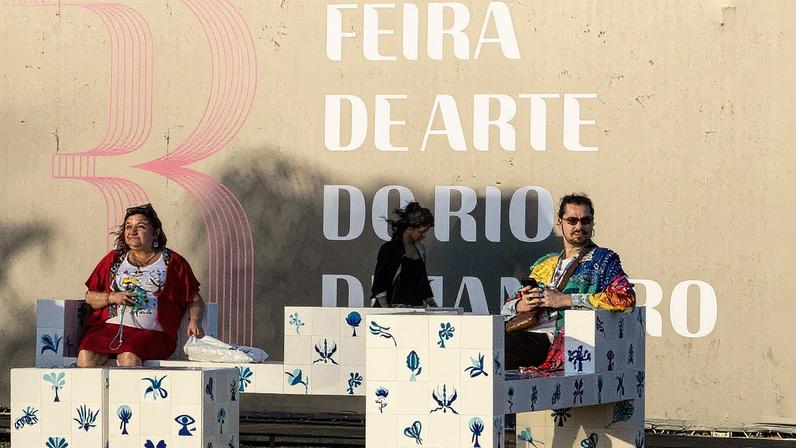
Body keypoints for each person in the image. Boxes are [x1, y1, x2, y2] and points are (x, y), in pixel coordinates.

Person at [502, 193, 635, 370]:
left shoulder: (603, 260)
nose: (579, 226)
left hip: (555, 341)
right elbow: (506, 308)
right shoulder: (545, 264)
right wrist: (521, 304)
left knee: (497, 350)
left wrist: (565, 300)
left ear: (592, 223)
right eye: (572, 220)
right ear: (560, 222)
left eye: (585, 221)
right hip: (525, 330)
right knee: (480, 343)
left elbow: (625, 298)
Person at [77, 203, 205, 367]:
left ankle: (127, 393)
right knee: (85, 356)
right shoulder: (114, 259)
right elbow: (90, 297)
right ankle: (94, 393)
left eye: (141, 226)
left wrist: (194, 320)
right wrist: (112, 297)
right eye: (128, 227)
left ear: (155, 233)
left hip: (153, 333)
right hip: (111, 328)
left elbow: (194, 299)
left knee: (128, 357)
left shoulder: (173, 262)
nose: (132, 231)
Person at [370, 202, 437, 308]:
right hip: (390, 310)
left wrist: (434, 307)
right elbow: (379, 285)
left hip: (414, 312)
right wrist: (386, 310)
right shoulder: (390, 249)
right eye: (422, 231)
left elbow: (423, 283)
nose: (424, 236)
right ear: (410, 228)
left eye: (426, 232)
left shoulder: (421, 249)